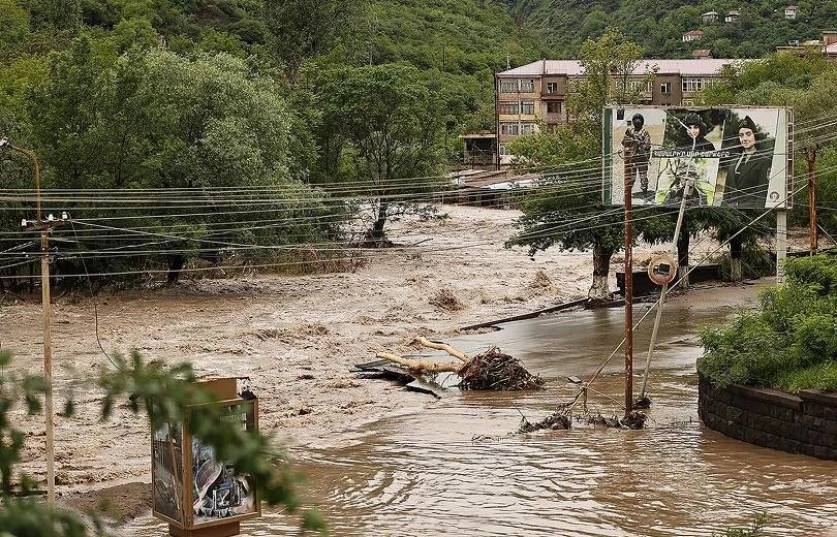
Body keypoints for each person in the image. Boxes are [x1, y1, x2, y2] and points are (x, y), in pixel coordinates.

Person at [723, 116, 771, 207]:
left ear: (755, 136)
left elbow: (762, 194)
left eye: (748, 134)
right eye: (741, 135)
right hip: (730, 213)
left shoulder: (764, 161)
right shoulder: (733, 161)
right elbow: (726, 193)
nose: (744, 138)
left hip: (750, 213)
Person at [622, 113, 652, 196]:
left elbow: (647, 145)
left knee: (643, 176)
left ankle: (644, 190)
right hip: (632, 158)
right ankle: (628, 192)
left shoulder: (644, 132)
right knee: (631, 176)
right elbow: (624, 143)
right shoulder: (630, 131)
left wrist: (639, 144)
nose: (637, 121)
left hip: (642, 158)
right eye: (636, 120)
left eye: (639, 120)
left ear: (642, 122)